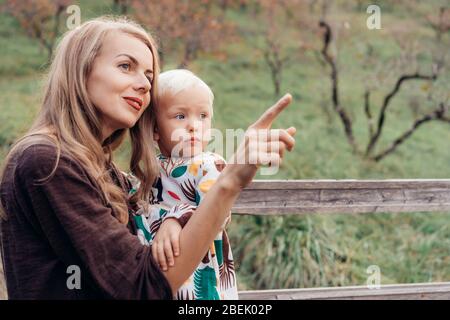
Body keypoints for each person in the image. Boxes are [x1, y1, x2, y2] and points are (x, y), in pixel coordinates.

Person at [0, 16, 296, 299]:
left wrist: (176, 220)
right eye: (126, 66)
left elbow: (151, 232)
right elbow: (141, 288)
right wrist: (229, 181)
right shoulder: (47, 161)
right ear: (80, 70)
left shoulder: (102, 168)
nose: (144, 84)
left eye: (149, 75)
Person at [131, 69, 237, 300]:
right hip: (154, 275)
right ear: (155, 130)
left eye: (202, 116)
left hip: (197, 276)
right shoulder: (152, 168)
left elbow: (218, 214)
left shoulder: (210, 165)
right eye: (180, 116)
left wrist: (175, 219)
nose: (193, 125)